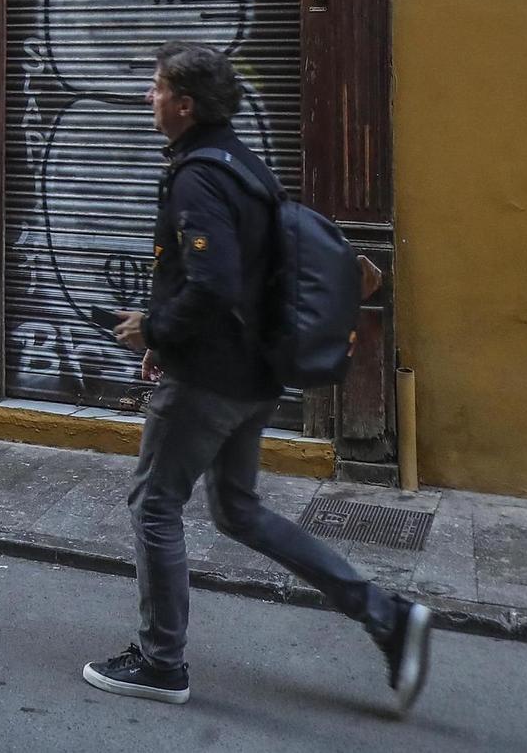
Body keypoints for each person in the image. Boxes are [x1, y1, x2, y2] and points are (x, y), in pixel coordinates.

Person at [84, 42, 432, 713]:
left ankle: (160, 661)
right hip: (252, 377)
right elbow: (235, 281)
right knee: (239, 509)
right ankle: (386, 615)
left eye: (155, 88)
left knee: (154, 504)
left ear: (184, 104)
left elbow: (212, 285)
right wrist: (165, 330)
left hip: (209, 379)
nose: (146, 99)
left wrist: (154, 329)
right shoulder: (244, 165)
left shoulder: (196, 175)